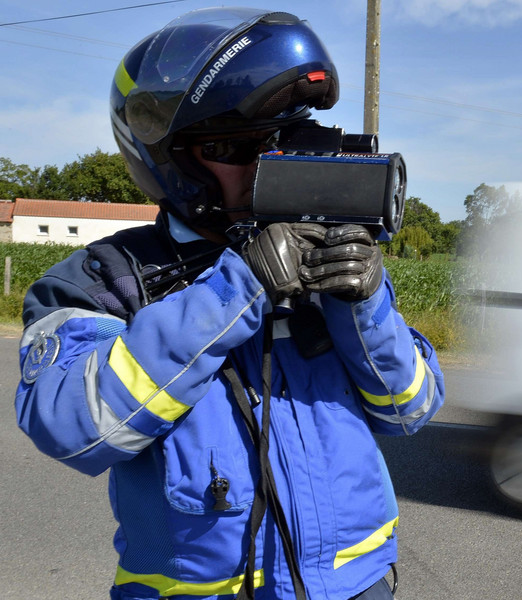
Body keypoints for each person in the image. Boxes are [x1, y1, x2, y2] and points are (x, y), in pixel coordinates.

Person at [14, 7, 444, 600]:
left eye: (277, 141)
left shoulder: (332, 263)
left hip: (360, 589)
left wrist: (364, 304)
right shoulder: (105, 277)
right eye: (235, 148)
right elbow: (74, 428)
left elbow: (409, 409)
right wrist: (238, 288)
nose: (267, 164)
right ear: (173, 160)